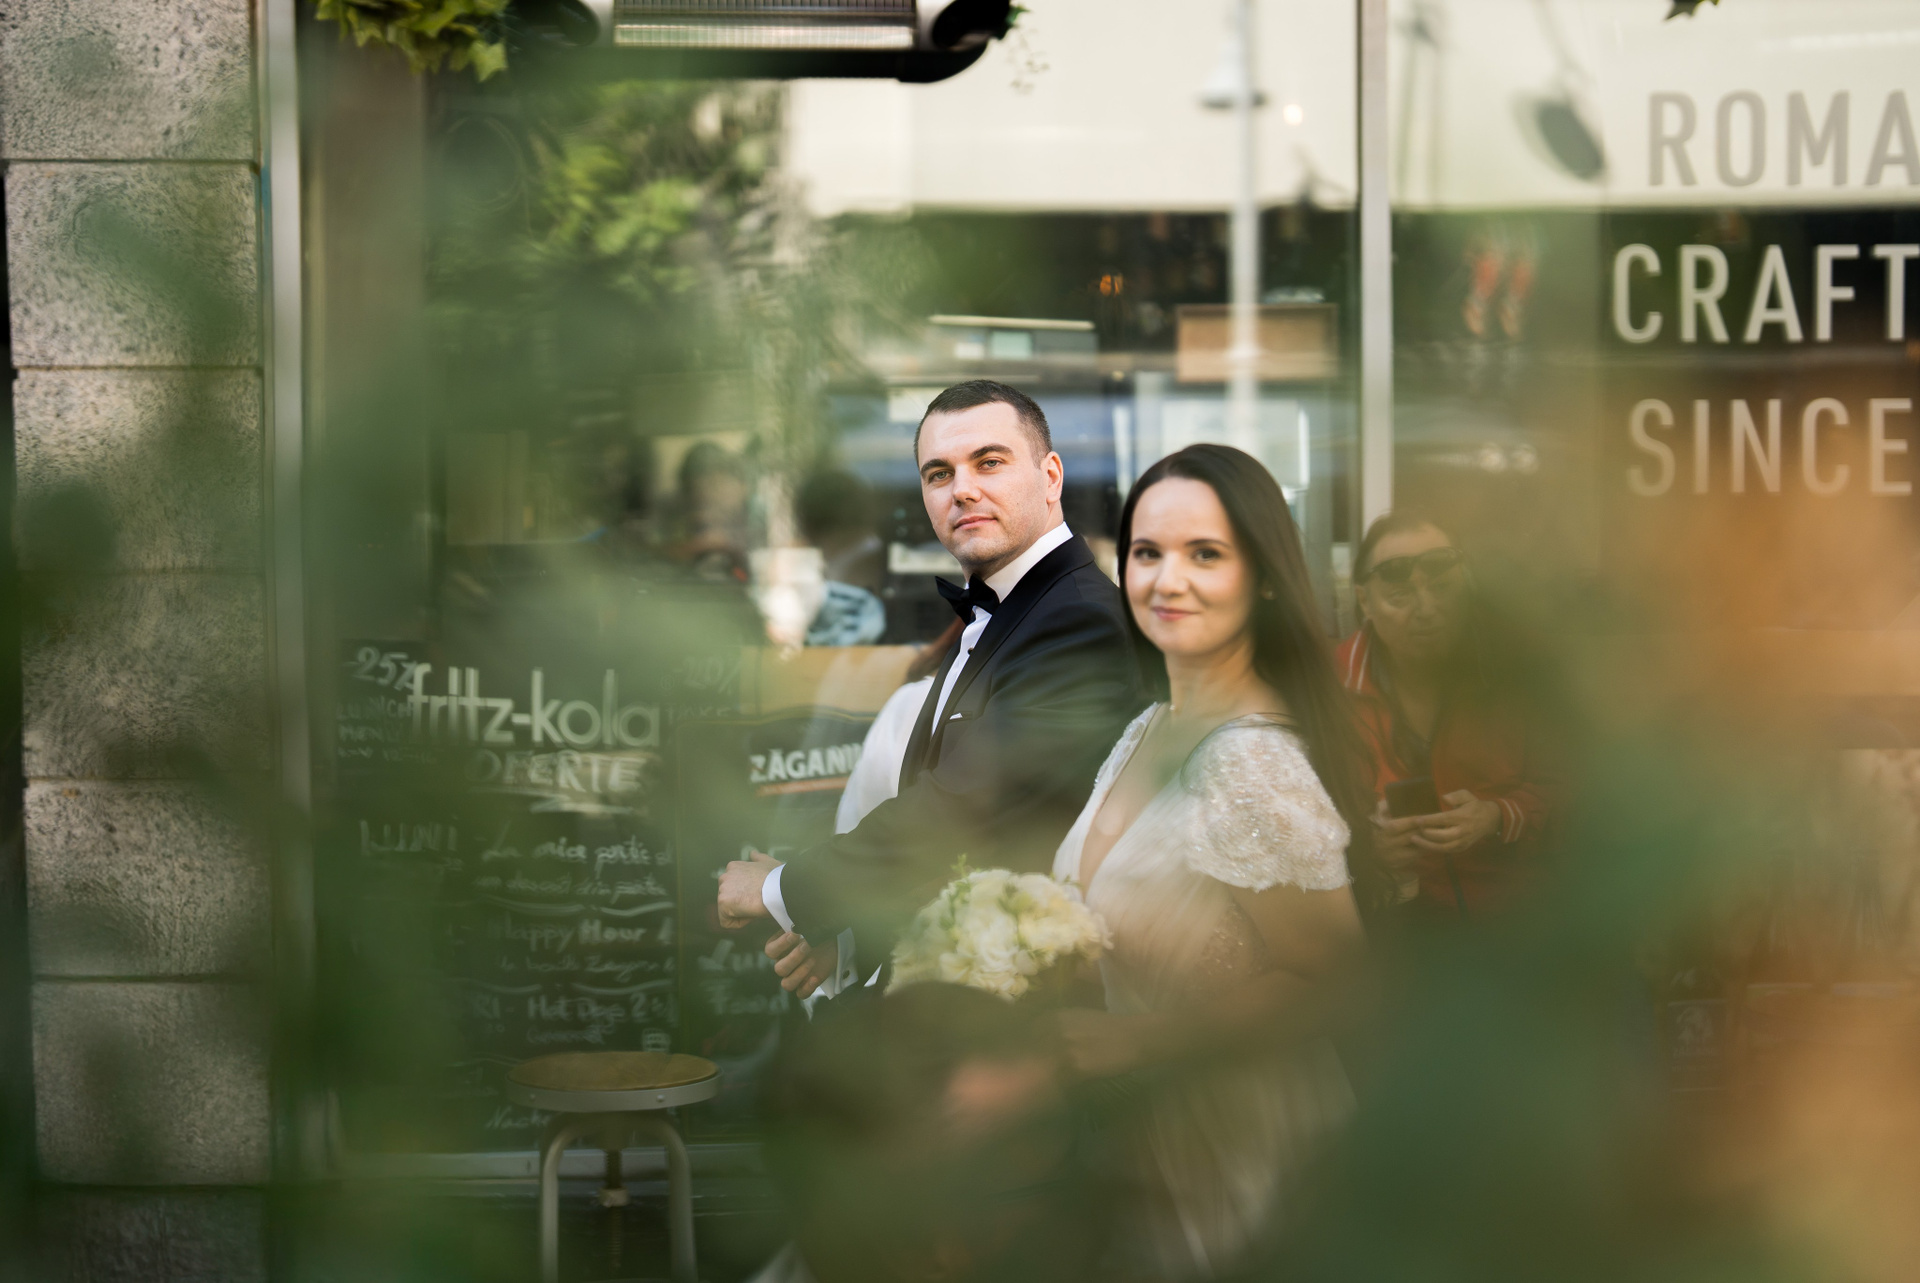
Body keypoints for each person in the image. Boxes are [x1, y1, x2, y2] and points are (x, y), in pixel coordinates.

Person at [1049, 444, 1386, 1281]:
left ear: (1263, 577)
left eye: (1206, 554)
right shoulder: (1149, 729)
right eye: (1147, 553)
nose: (1168, 580)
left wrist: (1140, 1042)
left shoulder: (1252, 761)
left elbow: (1339, 982)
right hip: (1133, 1144)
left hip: (1240, 1149)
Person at [717, 380, 1150, 997]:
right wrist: (850, 929)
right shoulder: (1012, 607)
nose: (962, 489)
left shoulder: (1076, 618)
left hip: (1027, 1005)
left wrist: (779, 889)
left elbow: (963, 805)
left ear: (1050, 476)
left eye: (989, 462)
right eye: (939, 473)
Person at [1336, 512, 1563, 917]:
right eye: (1400, 595)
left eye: (1442, 588)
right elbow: (1302, 815)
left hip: (1517, 911)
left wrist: (1496, 815)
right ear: (1365, 601)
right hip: (1386, 916)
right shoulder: (1331, 685)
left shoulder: (1517, 671)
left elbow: (1569, 785)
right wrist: (1367, 845)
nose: (1427, 609)